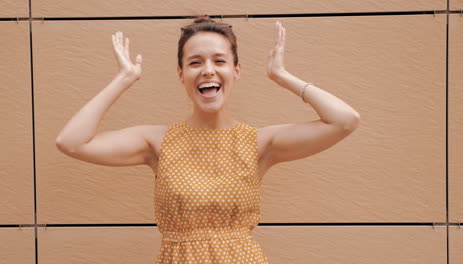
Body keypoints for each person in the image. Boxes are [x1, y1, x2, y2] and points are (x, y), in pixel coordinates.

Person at [56, 16, 360, 264]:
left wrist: (282, 75)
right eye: (195, 62)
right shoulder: (157, 142)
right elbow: (71, 142)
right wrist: (123, 79)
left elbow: (345, 120)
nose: (208, 71)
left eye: (219, 61)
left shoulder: (259, 143)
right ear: (181, 73)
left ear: (236, 70)